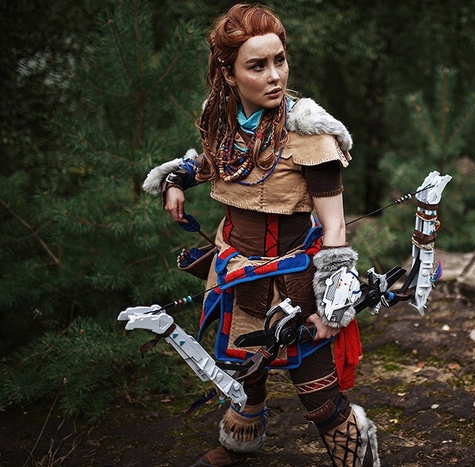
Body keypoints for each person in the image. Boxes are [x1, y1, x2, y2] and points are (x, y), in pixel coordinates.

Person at [142, 4, 378, 467]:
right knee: (242, 373)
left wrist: (333, 307)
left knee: (318, 394)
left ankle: (356, 457)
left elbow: (334, 228)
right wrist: (176, 179)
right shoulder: (221, 122)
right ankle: (239, 445)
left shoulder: (310, 136)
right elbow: (215, 163)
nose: (275, 76)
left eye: (280, 60)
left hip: (296, 283)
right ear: (228, 74)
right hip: (236, 273)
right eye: (257, 66)